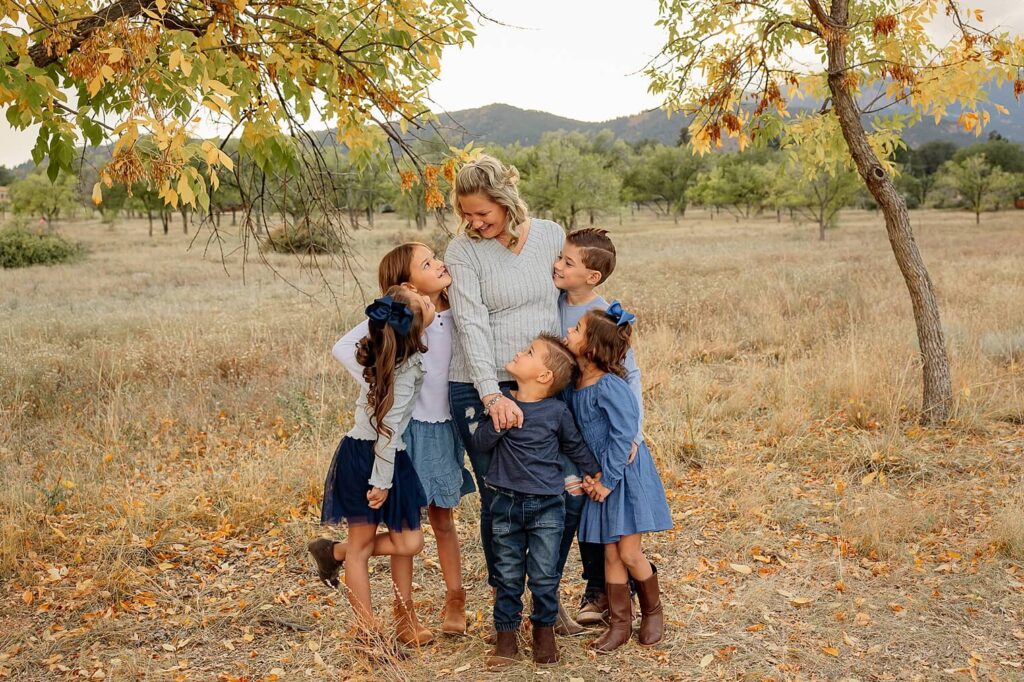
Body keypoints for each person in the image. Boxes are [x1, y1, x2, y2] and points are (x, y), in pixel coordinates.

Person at [445, 155, 575, 625]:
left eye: (483, 213)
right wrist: (491, 395)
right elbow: (471, 325)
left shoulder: (550, 236)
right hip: (480, 385)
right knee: (500, 497)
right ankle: (507, 608)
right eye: (467, 214)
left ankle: (546, 596)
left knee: (560, 491)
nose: (474, 223)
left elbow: (571, 296)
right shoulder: (463, 251)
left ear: (506, 200)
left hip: (542, 381)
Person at [332, 243, 475, 641]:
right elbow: (342, 348)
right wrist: (382, 384)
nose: (440, 263)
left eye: (436, 257)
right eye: (428, 263)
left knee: (442, 518)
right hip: (404, 432)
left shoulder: (456, 307)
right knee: (403, 524)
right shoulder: (400, 318)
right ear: (409, 283)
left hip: (444, 427)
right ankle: (403, 614)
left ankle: (455, 597)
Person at [307, 286, 434, 652]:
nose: (428, 300)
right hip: (371, 458)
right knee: (363, 548)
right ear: (414, 328)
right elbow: (387, 430)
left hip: (390, 456)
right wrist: (381, 481)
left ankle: (333, 553)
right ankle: (368, 634)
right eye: (423, 302)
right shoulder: (401, 367)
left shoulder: (392, 353)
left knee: (408, 542)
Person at [470, 334, 601, 668]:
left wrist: (595, 473)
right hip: (505, 505)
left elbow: (574, 446)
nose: (519, 351)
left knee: (544, 576)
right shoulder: (502, 402)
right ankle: (506, 641)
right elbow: (480, 443)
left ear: (544, 376)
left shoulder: (556, 412)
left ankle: (544, 634)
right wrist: (499, 423)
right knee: (508, 575)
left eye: (529, 353)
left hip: (547, 507)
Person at [565, 303, 673, 652]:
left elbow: (623, 435)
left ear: (591, 348)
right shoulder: (574, 385)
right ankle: (620, 624)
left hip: (623, 477)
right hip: (600, 479)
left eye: (577, 329)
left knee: (628, 552)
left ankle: (653, 613)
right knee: (610, 554)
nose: (569, 330)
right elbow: (577, 438)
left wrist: (607, 480)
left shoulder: (611, 386)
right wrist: (587, 476)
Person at [552, 227, 645, 627]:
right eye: (559, 256)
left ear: (592, 277)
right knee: (570, 504)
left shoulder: (602, 316)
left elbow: (630, 374)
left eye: (568, 262)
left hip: (598, 429)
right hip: (560, 421)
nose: (557, 265)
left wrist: (634, 434)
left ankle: (601, 590)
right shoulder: (549, 303)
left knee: (596, 507)